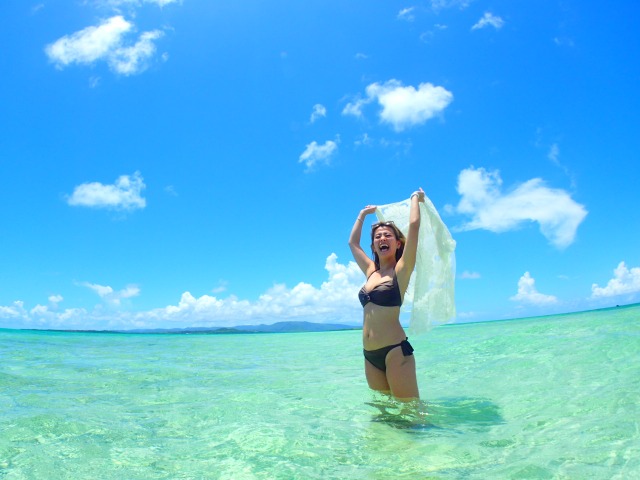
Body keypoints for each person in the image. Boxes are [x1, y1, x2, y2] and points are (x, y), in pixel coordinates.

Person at [348, 188, 425, 401]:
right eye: (378, 236)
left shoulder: (401, 270)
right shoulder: (371, 271)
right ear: (373, 244)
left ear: (398, 243)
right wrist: (362, 215)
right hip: (370, 356)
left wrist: (414, 199)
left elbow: (414, 227)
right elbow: (353, 244)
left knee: (410, 414)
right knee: (385, 416)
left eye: (388, 235)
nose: (382, 238)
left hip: (395, 352)